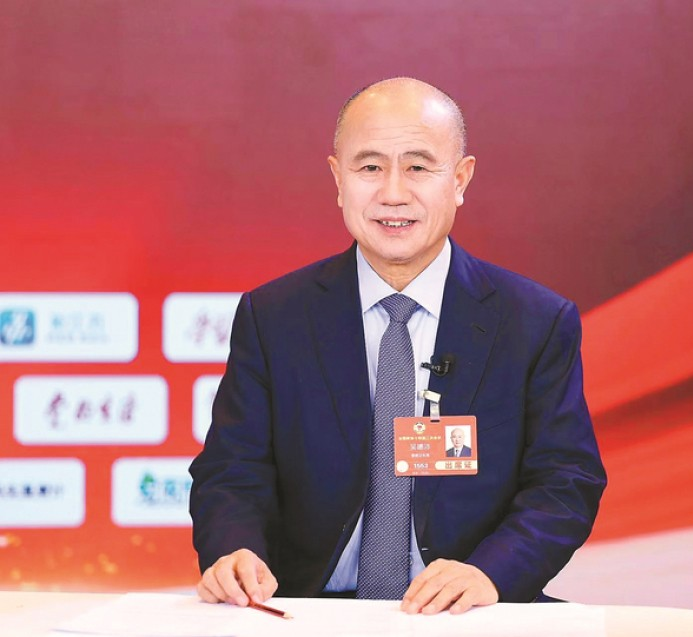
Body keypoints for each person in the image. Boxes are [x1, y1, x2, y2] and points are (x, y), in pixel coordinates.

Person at [189, 77, 606, 615]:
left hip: (466, 615)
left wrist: (490, 572)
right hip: (306, 613)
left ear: (460, 178)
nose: (392, 193)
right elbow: (231, 470)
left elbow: (565, 481)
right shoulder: (274, 317)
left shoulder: (534, 322)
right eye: (369, 167)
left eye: (417, 167)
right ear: (338, 179)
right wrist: (235, 551)